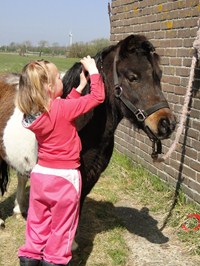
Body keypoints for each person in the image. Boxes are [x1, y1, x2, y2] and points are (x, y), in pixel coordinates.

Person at [16, 56, 105, 266]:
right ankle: (54, 260)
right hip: (64, 179)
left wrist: (80, 87)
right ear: (48, 87)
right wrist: (93, 71)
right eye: (58, 78)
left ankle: (30, 257)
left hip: (40, 177)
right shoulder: (62, 110)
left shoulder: (33, 114)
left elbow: (62, 108)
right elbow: (98, 96)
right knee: (62, 228)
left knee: (37, 222)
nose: (62, 81)